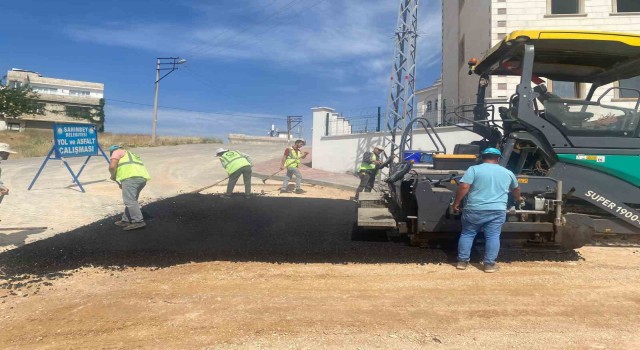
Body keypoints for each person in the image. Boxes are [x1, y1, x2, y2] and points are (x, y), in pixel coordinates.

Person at [452, 147, 521, 273]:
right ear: (498, 158)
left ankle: (462, 262)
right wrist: (518, 199)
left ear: (483, 157)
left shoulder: (474, 169)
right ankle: (489, 265)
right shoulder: (507, 172)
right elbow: (516, 189)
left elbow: (464, 186)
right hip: (497, 210)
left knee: (467, 234)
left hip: (474, 209)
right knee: (493, 236)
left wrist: (456, 203)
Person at [109, 145, 151, 231]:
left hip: (131, 178)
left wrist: (113, 176)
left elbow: (112, 167)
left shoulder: (116, 152)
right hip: (142, 179)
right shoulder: (131, 154)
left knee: (129, 200)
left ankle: (138, 221)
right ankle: (126, 220)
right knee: (132, 199)